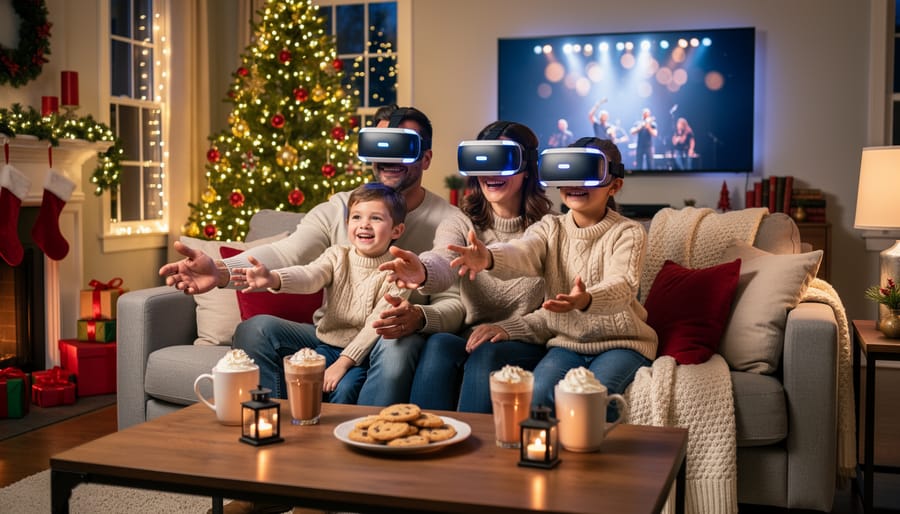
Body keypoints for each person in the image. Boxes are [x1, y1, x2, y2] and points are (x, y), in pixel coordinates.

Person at [159, 106, 464, 405]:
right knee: (255, 329)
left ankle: (367, 437)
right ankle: (278, 425)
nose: (388, 157)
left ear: (426, 158)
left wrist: (419, 317)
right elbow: (290, 254)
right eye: (380, 145)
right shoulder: (343, 208)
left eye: (402, 146)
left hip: (391, 336)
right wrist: (221, 271)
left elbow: (455, 303)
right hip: (330, 336)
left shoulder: (449, 220)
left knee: (395, 341)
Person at [447, 137, 657, 420]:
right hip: (566, 345)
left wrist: (587, 299)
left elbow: (623, 285)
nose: (575, 184)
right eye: (568, 174)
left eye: (587, 174)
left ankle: (589, 462)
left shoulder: (628, 233)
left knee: (589, 400)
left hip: (621, 344)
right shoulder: (550, 227)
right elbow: (524, 251)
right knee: (538, 396)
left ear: (614, 185)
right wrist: (489, 258)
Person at [381, 121, 554, 412]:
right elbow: (443, 258)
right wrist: (423, 271)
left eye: (503, 161)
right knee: (438, 345)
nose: (491, 174)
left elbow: (555, 311)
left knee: (486, 354)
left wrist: (507, 328)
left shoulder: (552, 227)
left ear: (527, 169)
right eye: (483, 163)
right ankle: (427, 440)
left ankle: (477, 455)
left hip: (524, 336)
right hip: (472, 336)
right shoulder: (461, 221)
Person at [233, 183, 409, 403]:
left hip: (361, 356)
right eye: (356, 217)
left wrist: (342, 364)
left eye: (376, 218)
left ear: (397, 230)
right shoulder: (337, 255)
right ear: (347, 223)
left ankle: (333, 436)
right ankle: (279, 416)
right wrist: (274, 278)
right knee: (266, 342)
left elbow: (375, 325)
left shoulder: (400, 271)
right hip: (325, 340)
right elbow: (310, 276)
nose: (364, 225)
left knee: (344, 390)